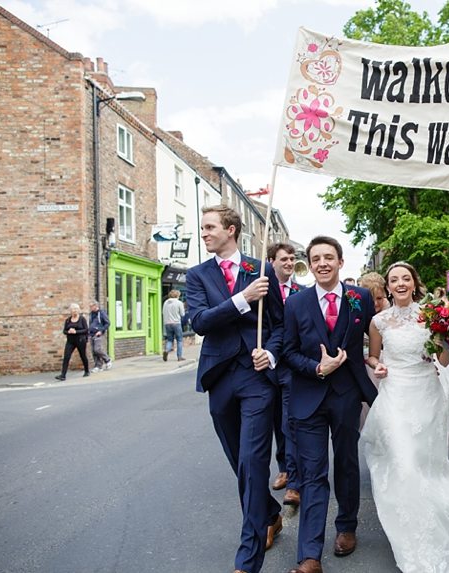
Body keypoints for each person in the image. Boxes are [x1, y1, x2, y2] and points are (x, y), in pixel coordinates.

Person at [185, 204, 285, 573]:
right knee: (238, 461)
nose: (204, 233)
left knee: (253, 461)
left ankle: (249, 556)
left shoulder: (261, 270)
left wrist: (270, 354)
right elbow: (199, 322)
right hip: (219, 377)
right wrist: (243, 300)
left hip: (256, 379)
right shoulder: (197, 275)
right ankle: (270, 513)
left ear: (231, 229)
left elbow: (280, 326)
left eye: (210, 226)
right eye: (203, 227)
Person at [362, 262, 449, 573]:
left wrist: (446, 339)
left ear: (414, 283)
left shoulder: (431, 316)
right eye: (394, 279)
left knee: (427, 463)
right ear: (387, 286)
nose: (399, 283)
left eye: (405, 278)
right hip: (396, 394)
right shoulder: (379, 321)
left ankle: (436, 511)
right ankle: (410, 531)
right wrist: (376, 366)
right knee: (405, 463)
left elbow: (442, 358)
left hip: (428, 394)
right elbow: (373, 354)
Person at [282, 236, 377, 573]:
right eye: (315, 258)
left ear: (340, 262)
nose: (322, 263)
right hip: (308, 396)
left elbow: (375, 335)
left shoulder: (360, 298)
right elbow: (288, 351)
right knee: (312, 474)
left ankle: (347, 526)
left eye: (328, 257)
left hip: (347, 394)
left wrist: (382, 361)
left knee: (347, 464)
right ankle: (309, 555)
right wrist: (317, 368)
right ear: (309, 264)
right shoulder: (296, 303)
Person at [268, 242, 303, 507]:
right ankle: (284, 467)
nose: (289, 263)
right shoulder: (262, 291)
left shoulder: (301, 293)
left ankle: (294, 482)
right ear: (272, 262)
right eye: (284, 259)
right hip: (266, 367)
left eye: (292, 259)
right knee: (275, 421)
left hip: (290, 367)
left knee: (289, 421)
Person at [356, 271, 389, 430]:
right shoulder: (356, 311)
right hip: (367, 368)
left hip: (389, 366)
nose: (376, 303)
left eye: (379, 298)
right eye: (371, 298)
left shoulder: (391, 313)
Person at [56, 303, 90, 381]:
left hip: (80, 340)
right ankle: (63, 375)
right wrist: (69, 331)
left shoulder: (82, 319)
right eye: (72, 309)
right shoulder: (68, 320)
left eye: (75, 309)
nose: (74, 311)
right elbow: (64, 331)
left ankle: (87, 371)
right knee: (66, 357)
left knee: (83, 355)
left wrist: (76, 331)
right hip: (70, 341)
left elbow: (86, 330)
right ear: (70, 311)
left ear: (78, 310)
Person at [161, 290, 186, 362]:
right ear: (177, 295)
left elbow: (163, 313)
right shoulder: (179, 303)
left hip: (167, 323)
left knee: (169, 340)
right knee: (179, 340)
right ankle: (179, 357)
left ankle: (166, 350)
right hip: (176, 323)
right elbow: (182, 314)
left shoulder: (165, 303)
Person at [88, 300, 112, 372]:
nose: (90, 308)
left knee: (97, 349)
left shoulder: (101, 313)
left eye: (91, 306)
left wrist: (101, 331)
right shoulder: (91, 314)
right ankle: (98, 366)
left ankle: (107, 360)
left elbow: (107, 323)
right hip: (91, 334)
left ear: (96, 306)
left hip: (99, 334)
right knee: (93, 351)